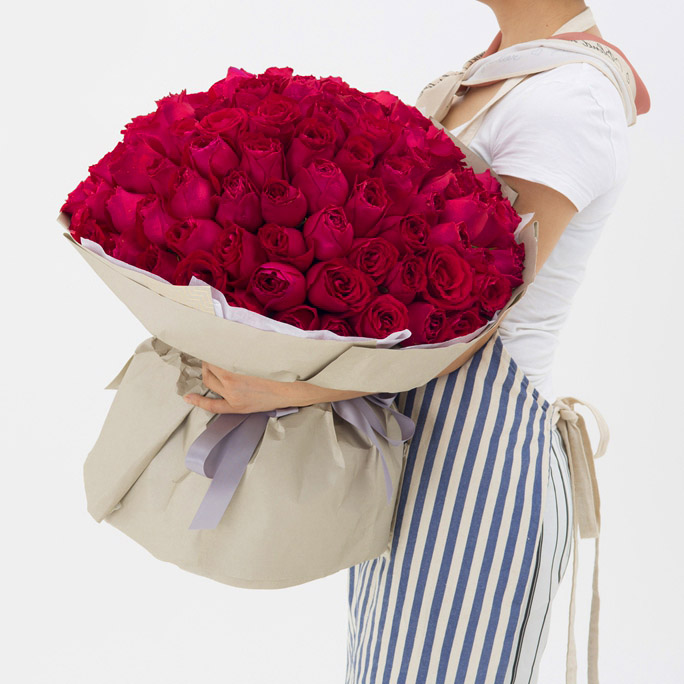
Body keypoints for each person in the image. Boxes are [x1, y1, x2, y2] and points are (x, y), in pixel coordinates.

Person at [184, 2, 649, 681]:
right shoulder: (497, 76)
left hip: (477, 470)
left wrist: (291, 387)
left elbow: (477, 311)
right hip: (405, 444)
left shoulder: (570, 98)